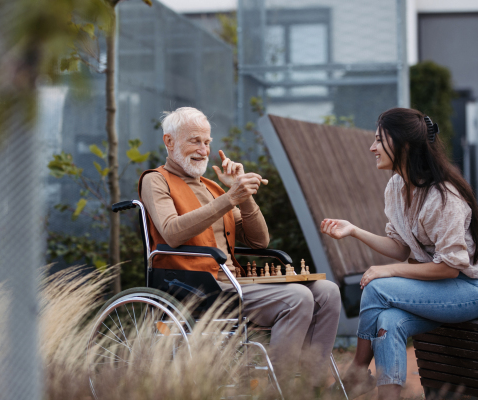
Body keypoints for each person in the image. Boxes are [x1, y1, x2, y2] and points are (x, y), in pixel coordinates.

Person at [139, 107, 341, 389]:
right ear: (169, 142)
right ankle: (278, 390)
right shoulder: (156, 180)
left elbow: (260, 242)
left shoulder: (212, 186)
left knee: (327, 292)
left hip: (232, 282)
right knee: (297, 297)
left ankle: (311, 384)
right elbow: (172, 233)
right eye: (194, 141)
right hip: (195, 285)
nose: (203, 150)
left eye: (207, 142)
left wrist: (242, 196)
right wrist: (229, 198)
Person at [320, 107, 478, 400]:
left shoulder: (443, 197)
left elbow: (449, 268)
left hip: (472, 289)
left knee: (376, 287)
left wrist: (388, 270)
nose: (372, 147)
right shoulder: (396, 186)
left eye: (379, 140)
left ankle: (357, 371)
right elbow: (401, 247)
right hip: (439, 286)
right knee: (389, 322)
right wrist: (353, 230)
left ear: (402, 144)